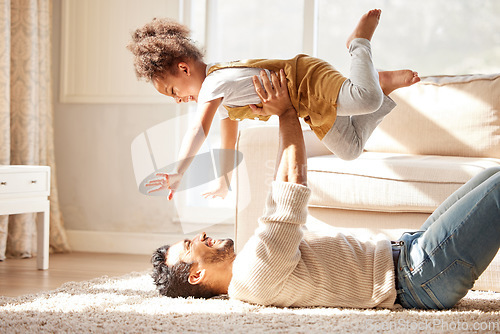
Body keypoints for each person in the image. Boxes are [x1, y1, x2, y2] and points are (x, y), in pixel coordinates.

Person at [151, 69, 500, 310]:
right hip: (421, 275)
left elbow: (280, 186)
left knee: (492, 175)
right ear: (196, 274)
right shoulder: (253, 276)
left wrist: (284, 116)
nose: (199, 236)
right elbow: (291, 189)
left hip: (411, 250)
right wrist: (285, 111)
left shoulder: (250, 267)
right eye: (189, 246)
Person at [127, 9, 421, 200]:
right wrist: (224, 181)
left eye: (172, 91)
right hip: (306, 108)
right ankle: (379, 83)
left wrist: (180, 169)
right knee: (350, 149)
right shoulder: (223, 98)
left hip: (307, 79)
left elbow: (197, 130)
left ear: (184, 68)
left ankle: (358, 43)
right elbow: (229, 141)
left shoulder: (214, 84)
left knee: (364, 99)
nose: (178, 99)